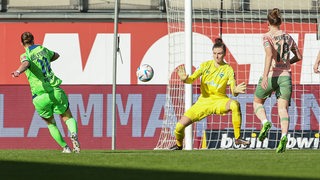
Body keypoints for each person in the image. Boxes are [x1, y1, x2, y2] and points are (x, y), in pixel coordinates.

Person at [169, 38, 250, 150]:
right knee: (178, 127)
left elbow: (233, 91)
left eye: (220, 53)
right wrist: (184, 79)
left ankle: (237, 137)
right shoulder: (205, 65)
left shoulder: (228, 69)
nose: (217, 56)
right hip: (203, 102)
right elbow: (191, 79)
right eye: (215, 53)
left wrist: (236, 91)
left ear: (224, 54)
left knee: (235, 104)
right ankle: (178, 145)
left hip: (219, 101)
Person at [11, 32, 81, 153]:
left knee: (51, 123)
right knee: (67, 116)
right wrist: (46, 59)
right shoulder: (42, 49)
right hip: (54, 90)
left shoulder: (25, 54)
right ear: (33, 40)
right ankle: (73, 134)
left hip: (39, 96)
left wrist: (18, 71)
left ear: (22, 43)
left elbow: (26, 63)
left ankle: (65, 147)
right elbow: (57, 55)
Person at [253, 8, 302, 153]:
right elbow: (299, 56)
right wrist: (287, 63)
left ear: (267, 23)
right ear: (280, 22)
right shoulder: (288, 37)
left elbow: (269, 55)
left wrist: (265, 75)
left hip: (272, 76)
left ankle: (265, 122)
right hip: (286, 76)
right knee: (282, 109)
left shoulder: (267, 36)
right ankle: (284, 136)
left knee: (257, 101)